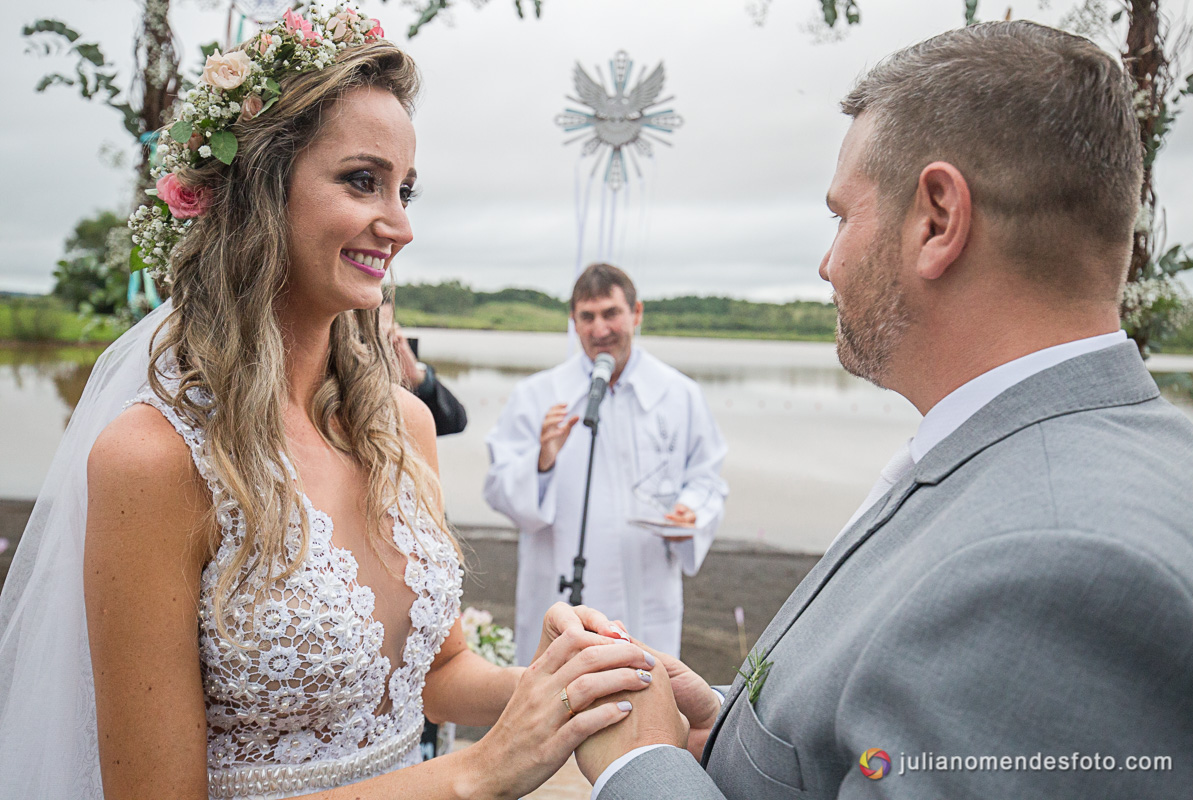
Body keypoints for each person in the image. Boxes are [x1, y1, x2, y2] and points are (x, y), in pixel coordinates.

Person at [0, 9, 658, 798]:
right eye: (362, 180)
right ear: (259, 191)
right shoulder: (157, 459)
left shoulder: (401, 429)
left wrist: (581, 683)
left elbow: (440, 670)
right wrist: (477, 772)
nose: (402, 224)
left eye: (405, 189)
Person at [569, 21, 1193, 799]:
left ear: (936, 219)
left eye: (842, 215)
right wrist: (725, 730)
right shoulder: (1085, 450)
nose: (827, 263)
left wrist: (643, 768)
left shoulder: (1053, 567)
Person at [484, 263, 729, 664]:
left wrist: (692, 512)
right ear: (573, 322)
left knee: (645, 695)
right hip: (561, 588)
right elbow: (498, 488)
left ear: (636, 314)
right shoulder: (537, 395)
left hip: (645, 591)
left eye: (611, 313)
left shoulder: (679, 394)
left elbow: (706, 477)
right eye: (587, 316)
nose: (600, 330)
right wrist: (541, 461)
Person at [378, 287, 468, 436]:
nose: (380, 346)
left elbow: (455, 423)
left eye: (389, 336)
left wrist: (420, 381)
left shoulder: (402, 374)